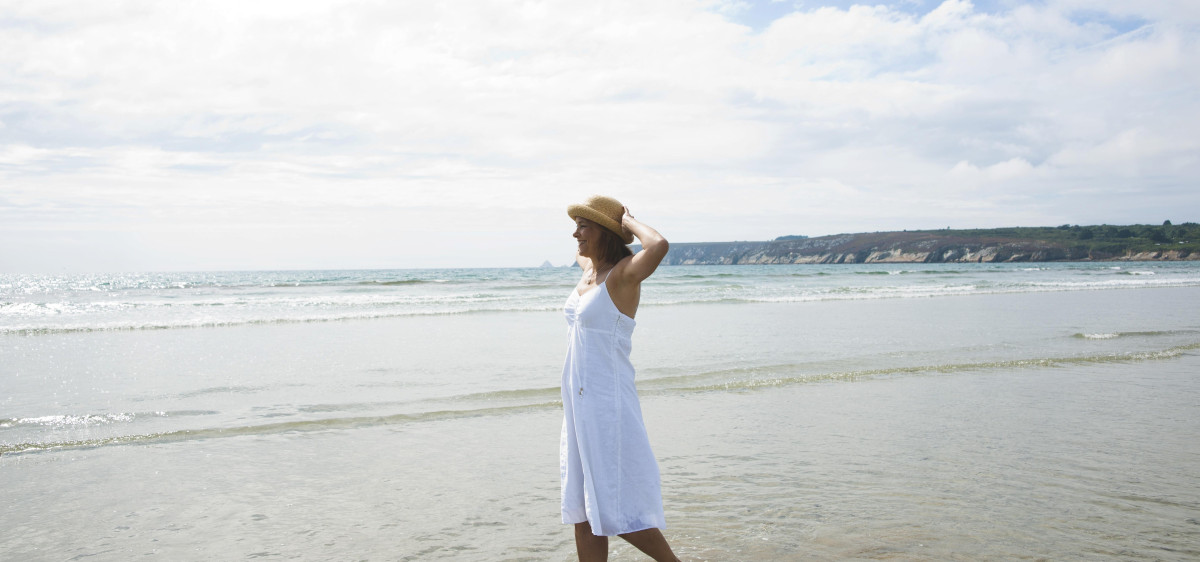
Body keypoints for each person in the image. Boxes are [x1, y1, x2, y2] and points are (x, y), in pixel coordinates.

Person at [561, 195, 681, 562]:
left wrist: (626, 222)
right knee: (582, 509)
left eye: (584, 226)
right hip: (577, 407)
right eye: (576, 224)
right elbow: (584, 252)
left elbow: (658, 245)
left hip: (606, 405)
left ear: (606, 232)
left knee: (617, 506)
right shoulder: (589, 270)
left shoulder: (624, 274)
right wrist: (592, 233)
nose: (575, 233)